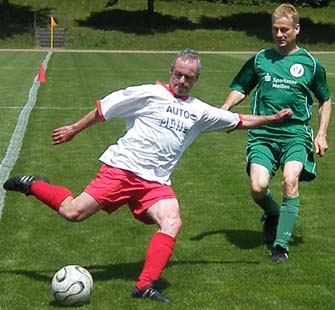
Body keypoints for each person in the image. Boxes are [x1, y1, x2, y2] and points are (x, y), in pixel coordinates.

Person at [3, 49, 292, 302]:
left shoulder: (199, 111)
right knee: (72, 212)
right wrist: (74, 129)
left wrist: (271, 119)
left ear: (195, 80)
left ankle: (144, 286)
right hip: (122, 170)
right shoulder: (148, 93)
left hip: (156, 183)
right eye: (178, 74)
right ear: (171, 72)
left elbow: (238, 120)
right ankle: (34, 185)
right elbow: (104, 109)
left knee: (172, 220)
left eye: (188, 77)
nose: (181, 81)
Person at [222, 4, 332, 263]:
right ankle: (273, 213)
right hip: (263, 134)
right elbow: (241, 86)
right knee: (258, 187)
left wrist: (322, 133)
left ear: (297, 29)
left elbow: (325, 99)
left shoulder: (311, 64)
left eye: (285, 29)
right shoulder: (261, 59)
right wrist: (225, 109)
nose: (280, 34)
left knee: (289, 181)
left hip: (296, 134)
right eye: (275, 29)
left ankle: (281, 245)